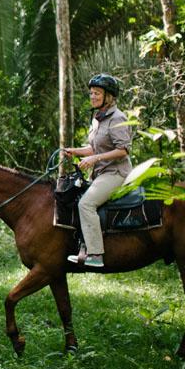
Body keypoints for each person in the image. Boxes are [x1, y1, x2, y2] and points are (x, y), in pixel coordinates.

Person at [63, 73, 132, 268]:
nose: (92, 97)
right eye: (91, 93)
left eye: (97, 93)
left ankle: (96, 254)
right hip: (101, 173)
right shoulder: (98, 118)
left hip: (117, 173)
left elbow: (123, 150)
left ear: (108, 97)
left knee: (86, 204)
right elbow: (96, 147)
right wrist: (74, 151)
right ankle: (82, 246)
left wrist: (94, 158)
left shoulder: (118, 118)